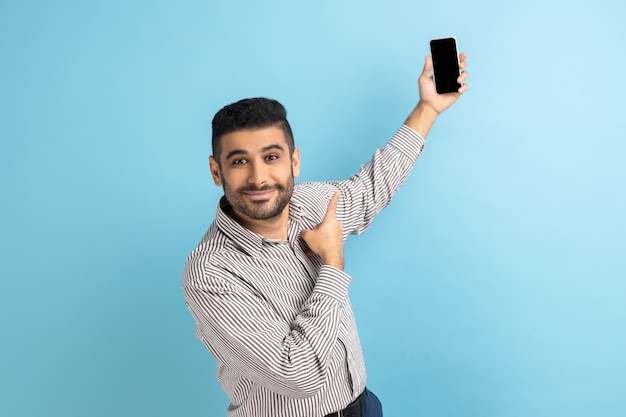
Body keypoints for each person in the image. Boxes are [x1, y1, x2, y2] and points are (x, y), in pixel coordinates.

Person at [183, 53, 469, 417]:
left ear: (294, 161)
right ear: (215, 170)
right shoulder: (209, 273)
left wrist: (428, 109)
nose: (258, 178)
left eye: (271, 157)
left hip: (363, 406)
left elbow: (371, 187)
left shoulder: (313, 204)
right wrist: (332, 264)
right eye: (239, 161)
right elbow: (296, 375)